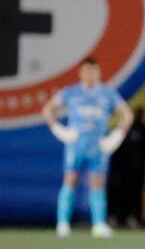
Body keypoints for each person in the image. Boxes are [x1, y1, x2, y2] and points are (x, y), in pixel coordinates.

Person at [41, 57, 133, 238]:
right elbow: (47, 109)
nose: (90, 75)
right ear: (81, 73)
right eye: (87, 71)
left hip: (98, 146)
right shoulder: (71, 93)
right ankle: (63, 224)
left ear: (98, 72)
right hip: (76, 144)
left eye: (93, 71)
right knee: (70, 180)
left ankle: (98, 224)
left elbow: (127, 115)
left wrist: (117, 136)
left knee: (97, 184)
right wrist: (58, 129)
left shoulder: (108, 94)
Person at [110, 106, 145, 228]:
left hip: (138, 170)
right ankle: (117, 217)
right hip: (121, 170)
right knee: (119, 193)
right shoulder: (122, 131)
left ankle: (134, 217)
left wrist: (139, 161)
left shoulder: (144, 130)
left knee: (136, 194)